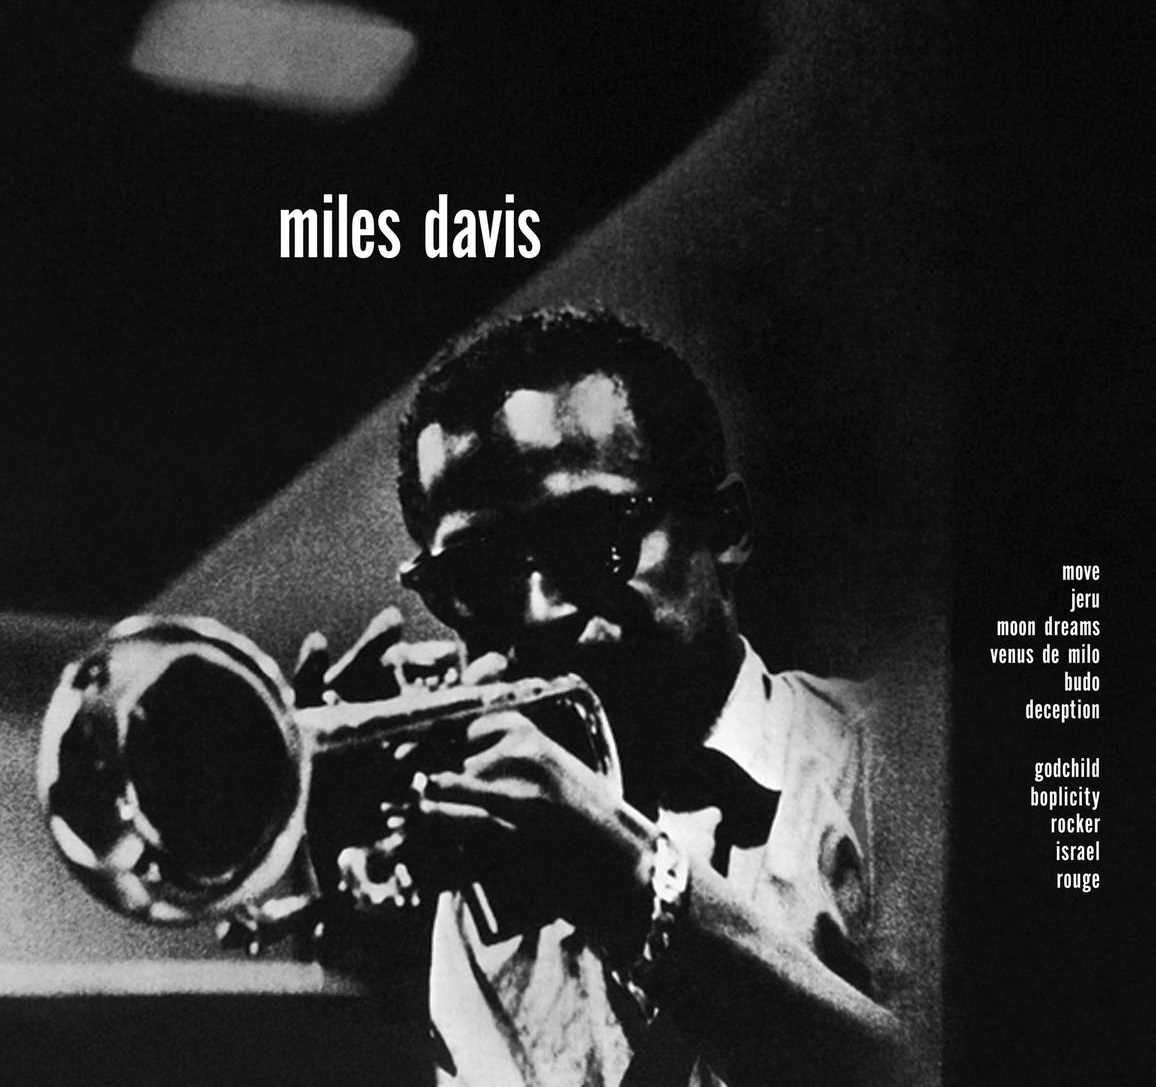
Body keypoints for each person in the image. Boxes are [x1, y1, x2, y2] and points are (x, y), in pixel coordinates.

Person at [305, 306, 903, 1087]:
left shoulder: (894, 760)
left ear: (724, 527)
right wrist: (363, 955)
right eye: (479, 574)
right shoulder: (465, 866)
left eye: (590, 539)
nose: (540, 611)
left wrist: (627, 886)